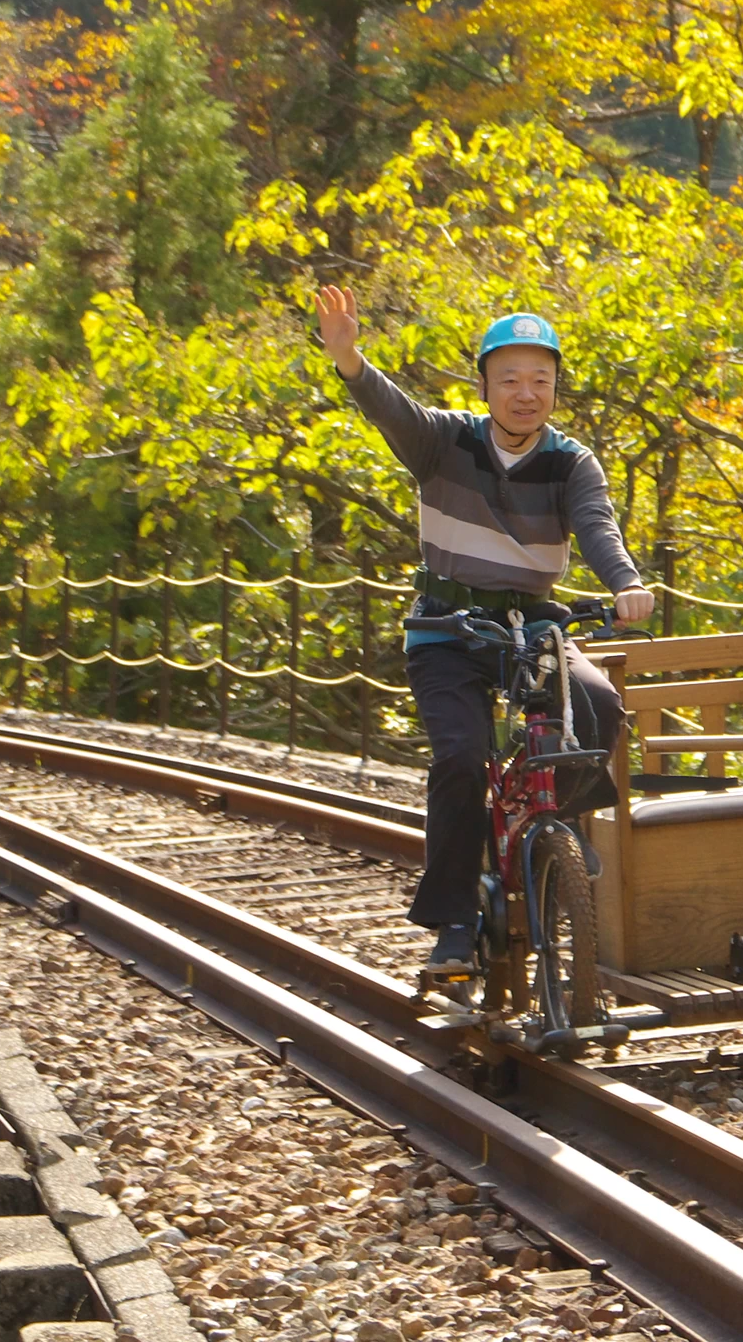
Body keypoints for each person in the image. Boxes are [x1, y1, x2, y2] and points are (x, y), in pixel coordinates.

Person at [314, 284, 656, 978]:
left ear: (556, 388)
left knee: (597, 704)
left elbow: (596, 523)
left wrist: (624, 582)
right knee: (462, 761)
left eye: (541, 381)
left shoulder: (571, 460)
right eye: (510, 380)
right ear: (485, 385)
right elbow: (391, 409)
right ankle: (453, 922)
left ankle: (565, 828)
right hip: (445, 627)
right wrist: (350, 360)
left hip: (529, 624)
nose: (526, 394)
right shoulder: (443, 440)